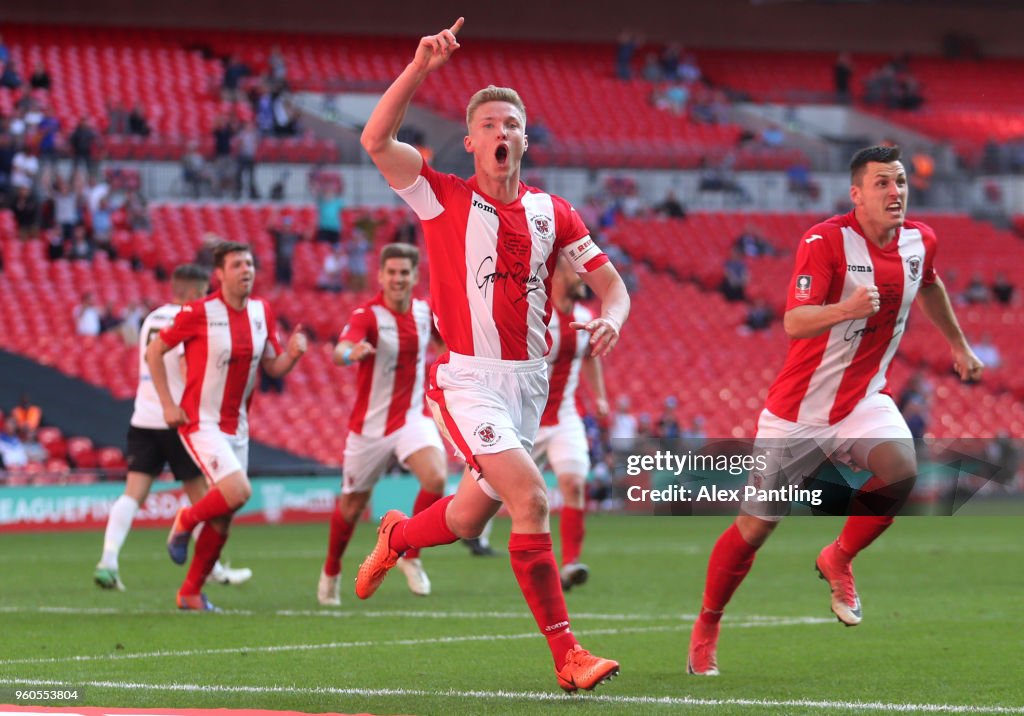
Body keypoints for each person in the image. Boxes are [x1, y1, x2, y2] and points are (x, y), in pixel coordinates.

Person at [353, 18, 630, 693]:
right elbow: (374, 140)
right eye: (489, 125)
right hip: (470, 383)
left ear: (523, 139)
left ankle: (399, 537)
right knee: (530, 501)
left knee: (470, 515)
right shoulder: (441, 197)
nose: (501, 133)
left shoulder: (554, 213)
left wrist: (613, 319)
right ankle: (568, 657)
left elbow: (611, 284)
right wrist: (421, 66)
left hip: (529, 388)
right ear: (472, 140)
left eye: (512, 123)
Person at [687, 145, 984, 677]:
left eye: (899, 182)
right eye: (881, 184)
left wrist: (959, 346)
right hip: (797, 412)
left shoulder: (921, 240)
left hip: (864, 399)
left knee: (900, 471)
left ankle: (838, 557)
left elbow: (931, 284)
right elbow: (794, 323)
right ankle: (708, 623)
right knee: (755, 528)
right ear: (856, 194)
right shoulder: (825, 241)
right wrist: (846, 309)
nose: (894, 192)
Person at [147, 242, 307, 610]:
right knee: (238, 491)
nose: (245, 269)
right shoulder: (200, 311)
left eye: (249, 263)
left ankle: (190, 593)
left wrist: (293, 355)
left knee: (222, 520)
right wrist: (168, 404)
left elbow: (273, 366)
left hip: (239, 426)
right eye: (237, 264)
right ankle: (185, 519)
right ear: (219, 274)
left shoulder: (261, 311)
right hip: (200, 421)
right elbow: (154, 351)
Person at [94, 265, 252, 591]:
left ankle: (108, 560)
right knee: (204, 498)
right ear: (195, 292)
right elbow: (184, 362)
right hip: (178, 419)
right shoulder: (190, 320)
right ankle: (214, 569)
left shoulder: (150, 319)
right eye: (206, 290)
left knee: (132, 494)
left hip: (143, 419)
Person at [318, 243, 448, 606]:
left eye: (404, 272)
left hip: (410, 418)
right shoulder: (368, 315)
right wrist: (351, 353)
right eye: (391, 272)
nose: (397, 278)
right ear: (380, 276)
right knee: (351, 507)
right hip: (370, 428)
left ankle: (411, 556)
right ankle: (331, 571)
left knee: (436, 477)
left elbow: (444, 344)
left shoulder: (424, 312)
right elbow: (340, 349)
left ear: (414, 276)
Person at [532, 256, 610, 592]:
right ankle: (477, 536)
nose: (583, 278)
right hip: (526, 419)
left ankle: (571, 563)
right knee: (486, 499)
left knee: (574, 484)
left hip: (565, 416)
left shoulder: (584, 318)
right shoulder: (535, 315)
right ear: (559, 273)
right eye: (576, 272)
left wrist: (601, 397)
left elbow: (590, 357)